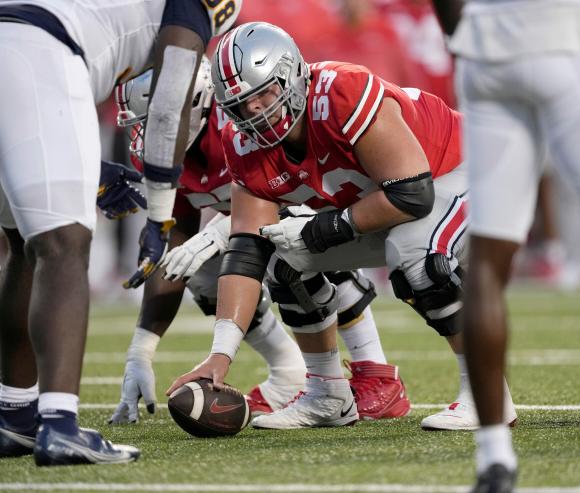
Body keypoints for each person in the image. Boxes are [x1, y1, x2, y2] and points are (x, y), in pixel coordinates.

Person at [166, 21, 517, 431]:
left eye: (264, 93)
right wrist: (219, 356)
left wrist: (320, 229)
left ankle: (487, 394)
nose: (256, 110)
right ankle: (327, 394)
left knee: (418, 257)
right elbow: (246, 250)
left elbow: (411, 194)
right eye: (243, 105)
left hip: (463, 170)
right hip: (391, 201)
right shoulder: (243, 145)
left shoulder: (341, 92)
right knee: (285, 260)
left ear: (292, 76)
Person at [0, 0, 241, 466]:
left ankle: (14, 415)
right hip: (40, 51)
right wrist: (160, 214)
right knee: (63, 247)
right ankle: (61, 425)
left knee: (23, 246)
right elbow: (172, 94)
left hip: (19, 44)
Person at [107, 57, 411, 424]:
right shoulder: (166, 156)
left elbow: (292, 188)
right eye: (140, 126)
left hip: (328, 205)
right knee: (197, 266)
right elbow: (175, 240)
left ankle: (373, 368)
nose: (145, 138)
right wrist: (140, 351)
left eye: (154, 123)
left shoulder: (241, 124)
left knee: (294, 237)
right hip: (260, 222)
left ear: (194, 104)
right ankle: (287, 372)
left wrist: (219, 232)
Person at [432, 1, 580, 491]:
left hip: (486, 50)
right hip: (568, 34)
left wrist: (468, 38)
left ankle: (494, 459)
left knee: (487, 257)